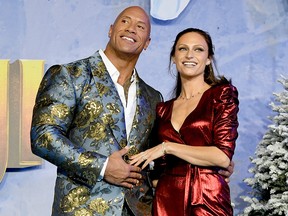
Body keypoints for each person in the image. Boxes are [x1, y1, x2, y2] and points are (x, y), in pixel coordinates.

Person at [30, 6, 162, 216]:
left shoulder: (153, 97)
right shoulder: (70, 75)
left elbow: (155, 159)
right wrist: (103, 166)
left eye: (140, 26)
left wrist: (208, 171)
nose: (131, 29)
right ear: (110, 30)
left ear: (147, 43)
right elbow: (43, 136)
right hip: (82, 208)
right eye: (125, 21)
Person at [130, 28, 239, 216]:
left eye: (198, 49)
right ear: (173, 57)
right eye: (182, 49)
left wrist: (168, 147)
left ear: (208, 59)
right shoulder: (163, 109)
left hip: (207, 198)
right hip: (166, 200)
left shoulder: (221, 95)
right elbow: (158, 168)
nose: (190, 55)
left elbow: (222, 156)